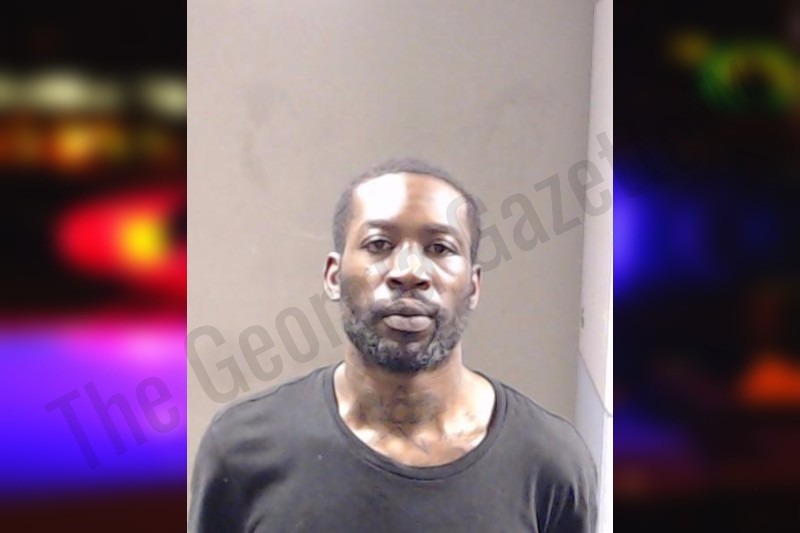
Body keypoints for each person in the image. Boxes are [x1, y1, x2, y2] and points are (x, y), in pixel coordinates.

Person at [189, 158, 597, 532]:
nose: (409, 272)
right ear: (333, 276)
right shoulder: (242, 451)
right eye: (379, 245)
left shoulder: (550, 464)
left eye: (439, 248)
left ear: (473, 286)